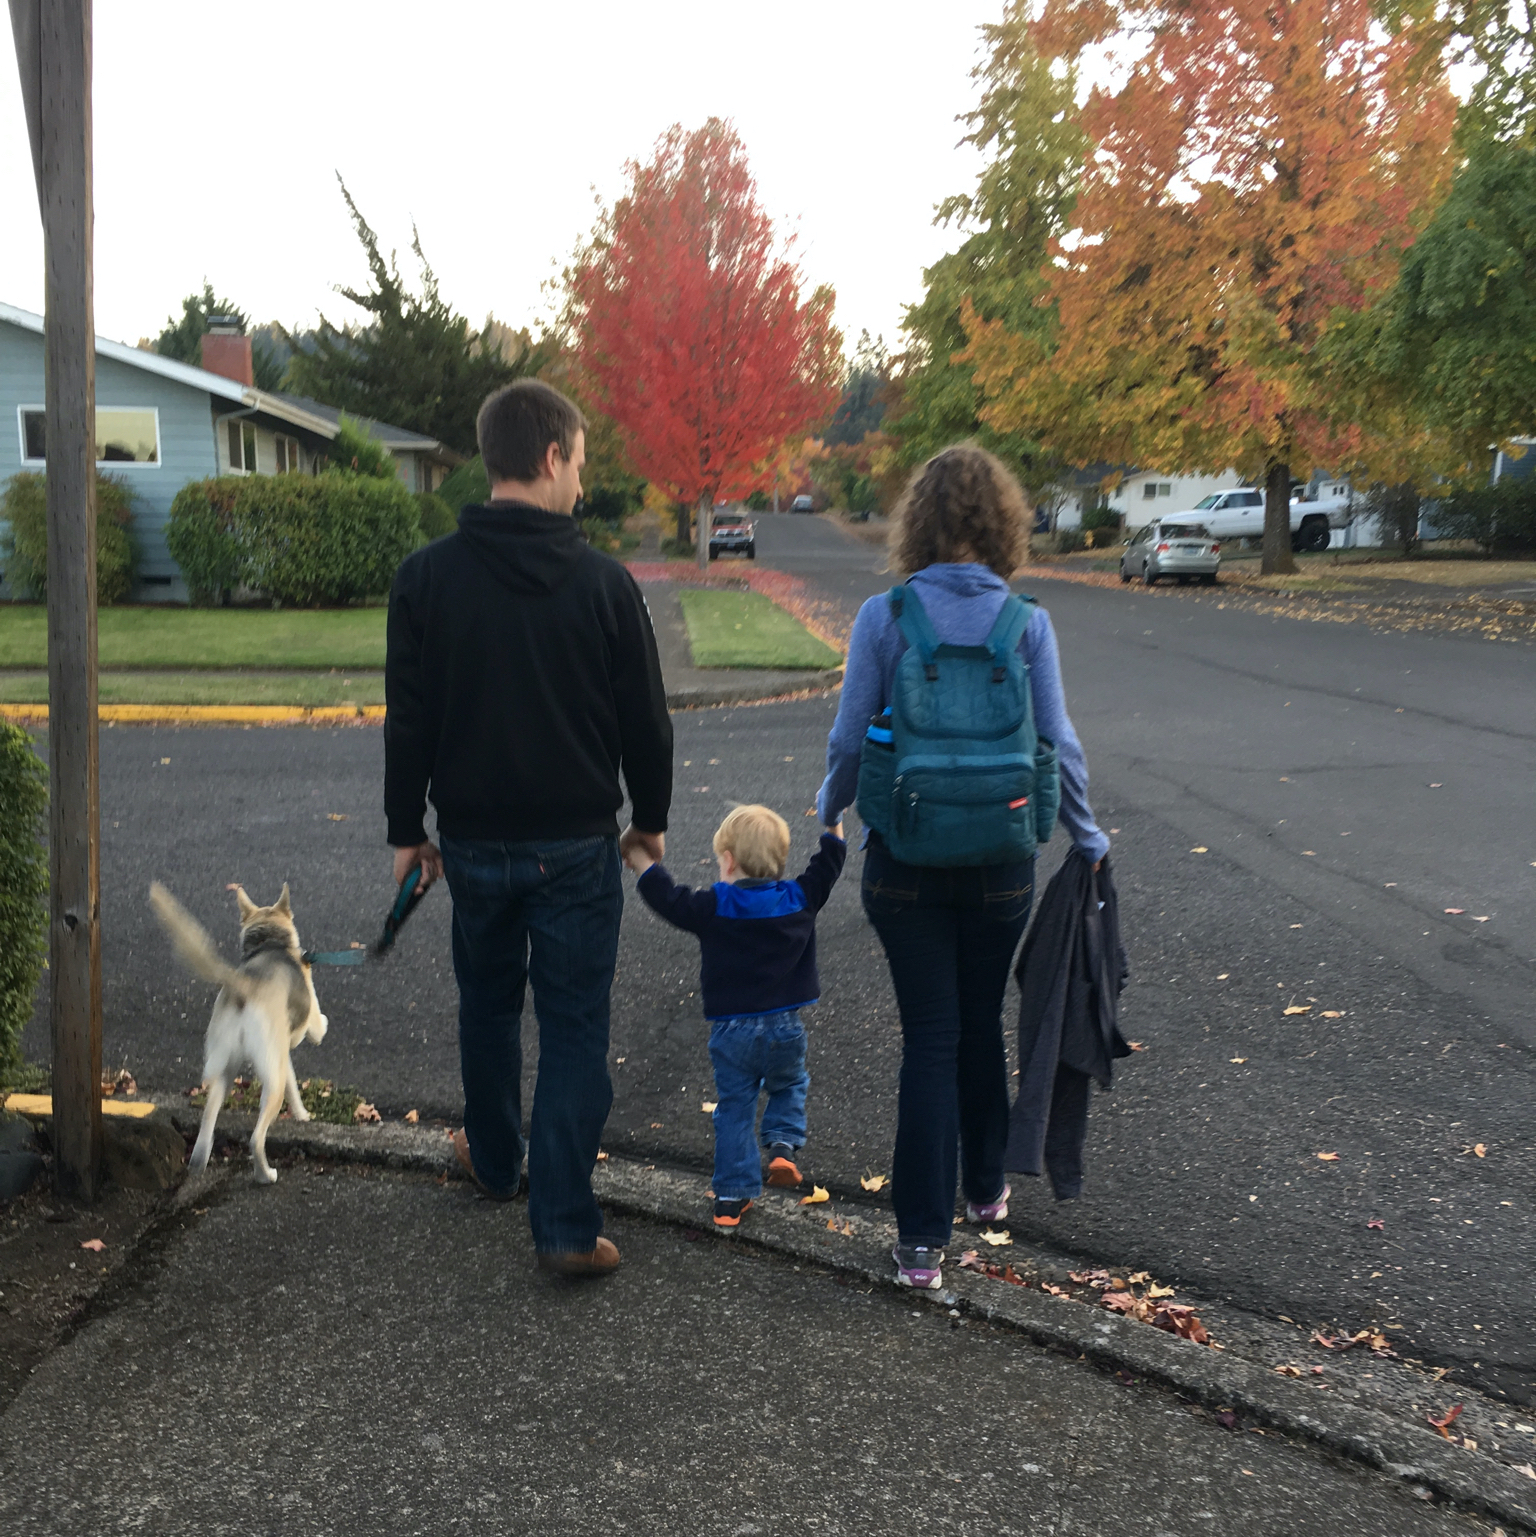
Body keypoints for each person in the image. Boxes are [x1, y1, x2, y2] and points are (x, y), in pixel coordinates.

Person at [384, 379, 673, 1277]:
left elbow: (409, 718)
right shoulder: (605, 587)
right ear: (551, 458)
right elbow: (645, 722)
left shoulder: (425, 579)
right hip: (577, 846)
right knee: (576, 1026)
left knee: (488, 1004)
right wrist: (650, 820)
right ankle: (563, 1223)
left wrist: (408, 828)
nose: (582, 485)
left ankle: (496, 1158)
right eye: (580, 465)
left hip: (470, 844)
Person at [815, 444, 1109, 1292]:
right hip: (1002, 862)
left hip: (903, 861)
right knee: (979, 1023)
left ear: (918, 523)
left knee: (930, 1040)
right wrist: (1087, 837)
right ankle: (986, 1190)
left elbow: (847, 738)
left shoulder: (886, 615)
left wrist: (831, 808)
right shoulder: (1028, 624)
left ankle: (917, 1245)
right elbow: (1059, 744)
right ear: (1003, 523)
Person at [625, 804, 846, 1228]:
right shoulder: (798, 898)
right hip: (785, 1027)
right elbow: (828, 865)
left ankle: (730, 1196)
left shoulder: (716, 905)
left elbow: (668, 899)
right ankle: (782, 1144)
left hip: (732, 1032)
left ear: (728, 860)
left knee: (735, 1109)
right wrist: (833, 822)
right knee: (790, 1083)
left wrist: (640, 861)